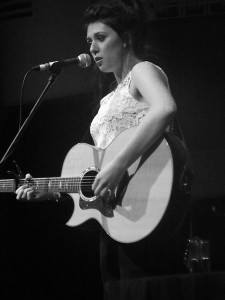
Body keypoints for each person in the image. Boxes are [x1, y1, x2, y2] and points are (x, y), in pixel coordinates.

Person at [16, 0, 191, 298]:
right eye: (89, 41)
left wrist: (118, 166)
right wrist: (51, 189)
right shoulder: (107, 101)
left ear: (126, 38)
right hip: (114, 218)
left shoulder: (143, 71)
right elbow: (99, 174)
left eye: (101, 37)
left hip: (145, 205)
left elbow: (164, 109)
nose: (93, 48)